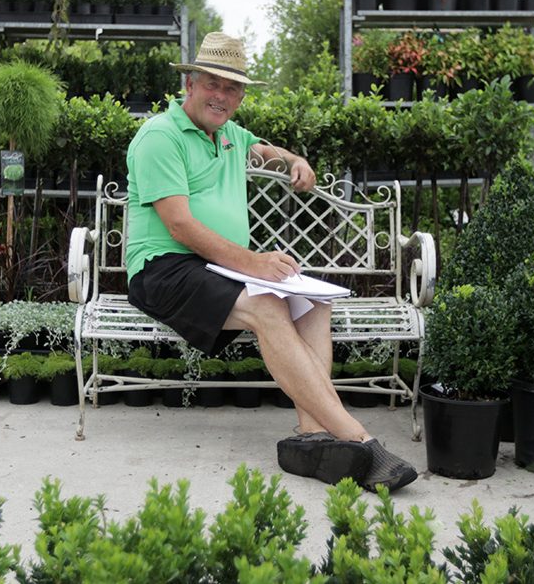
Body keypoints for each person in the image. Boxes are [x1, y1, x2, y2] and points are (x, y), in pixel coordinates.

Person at [124, 32, 417, 491]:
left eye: (232, 88)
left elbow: (263, 150)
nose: (221, 95)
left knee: (313, 303)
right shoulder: (160, 136)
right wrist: (252, 264)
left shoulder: (228, 136)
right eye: (212, 84)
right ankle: (359, 439)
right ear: (191, 85)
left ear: (240, 96)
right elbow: (179, 226)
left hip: (215, 268)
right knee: (268, 306)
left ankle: (311, 435)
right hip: (164, 267)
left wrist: (295, 159)